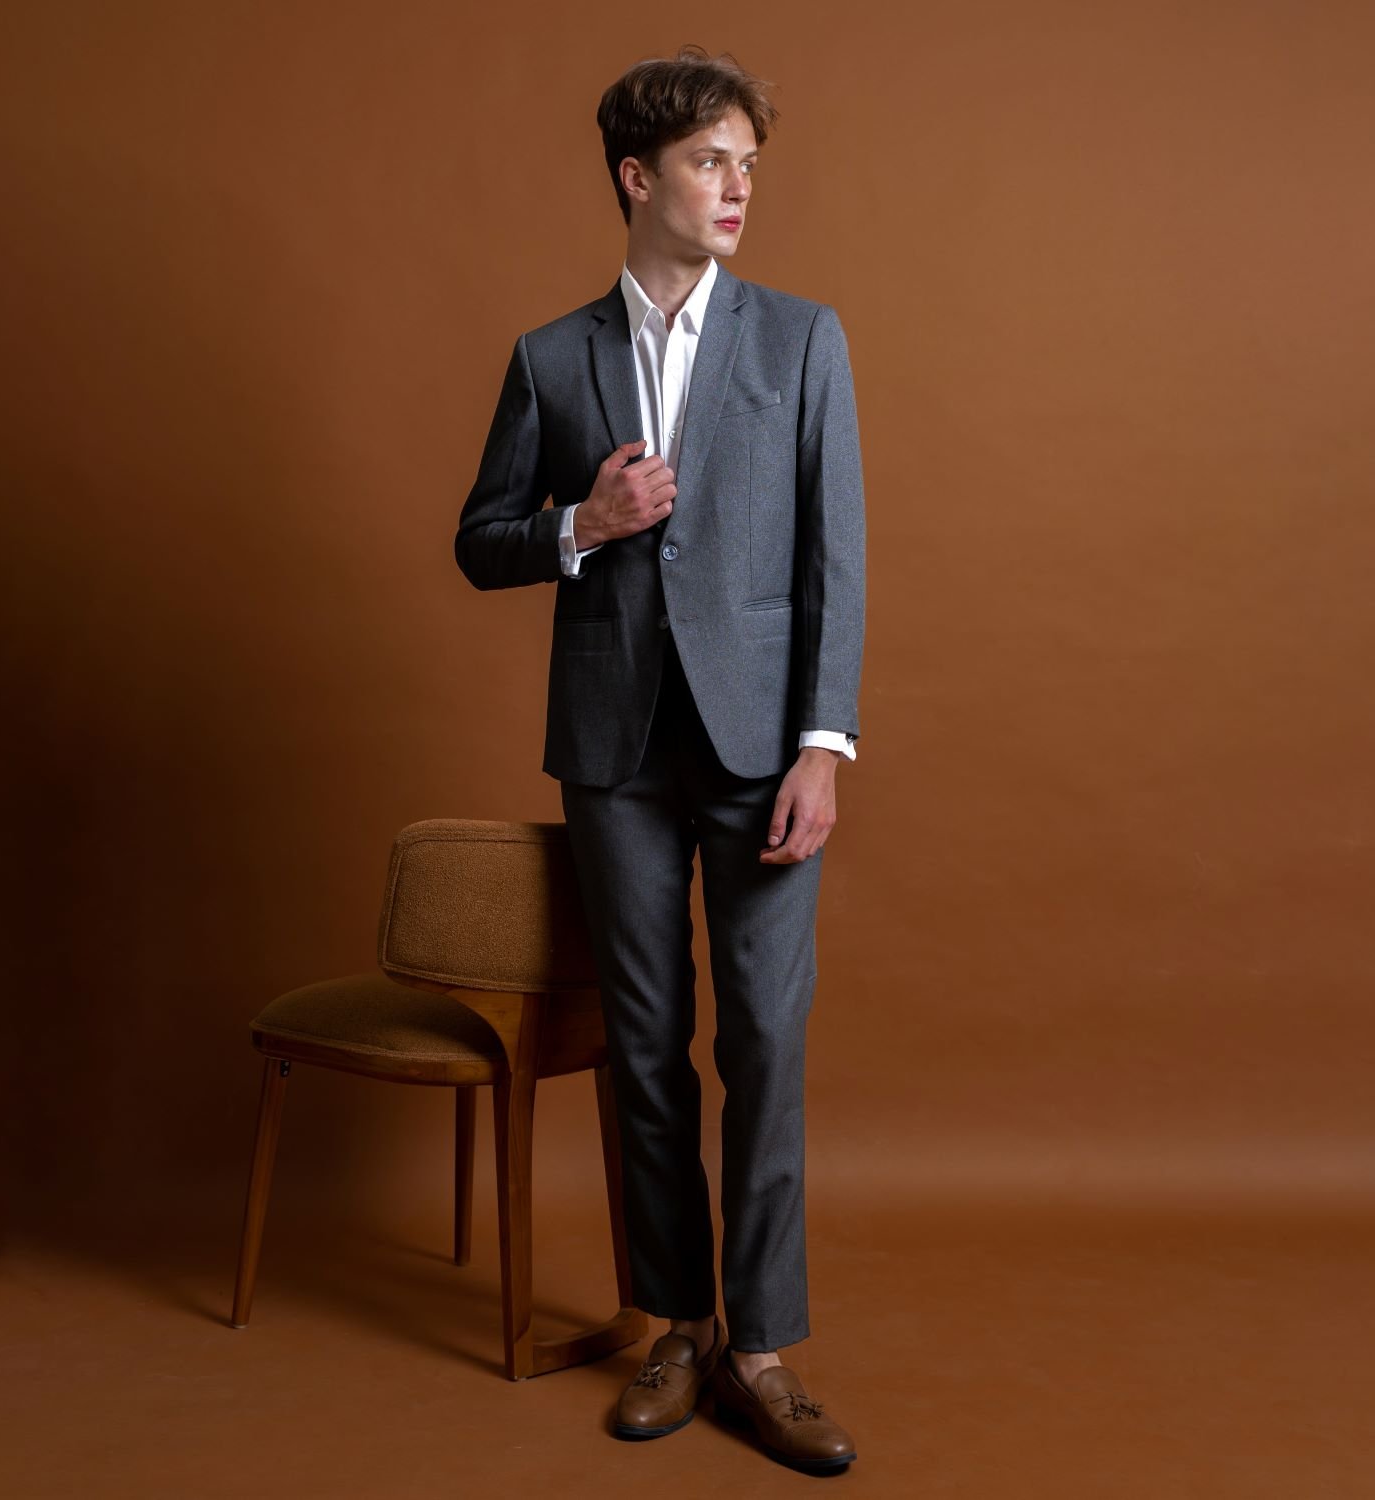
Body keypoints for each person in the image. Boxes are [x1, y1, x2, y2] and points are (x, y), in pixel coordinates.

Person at [454, 44, 865, 1473]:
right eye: (709, 162)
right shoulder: (550, 357)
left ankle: (764, 1349)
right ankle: (679, 1325)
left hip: (763, 753)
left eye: (749, 164)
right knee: (644, 1044)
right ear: (639, 178)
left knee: (765, 1040)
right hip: (614, 751)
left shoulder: (803, 340)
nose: (738, 187)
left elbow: (835, 558)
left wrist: (823, 745)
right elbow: (480, 541)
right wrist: (584, 523)